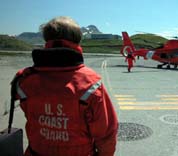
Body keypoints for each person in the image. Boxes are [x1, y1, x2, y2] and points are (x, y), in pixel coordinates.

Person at [12, 16, 118, 156]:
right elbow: (106, 133)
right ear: (77, 42)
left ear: (46, 41)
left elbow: (28, 113)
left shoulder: (25, 79)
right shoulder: (91, 82)